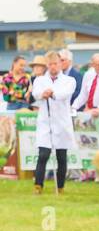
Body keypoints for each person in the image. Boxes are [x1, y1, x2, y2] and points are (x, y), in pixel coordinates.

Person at [29, 48, 77, 194]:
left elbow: (65, 93)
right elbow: (35, 93)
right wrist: (43, 94)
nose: (53, 67)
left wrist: (53, 93)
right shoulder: (40, 80)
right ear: (47, 65)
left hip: (61, 122)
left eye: (55, 63)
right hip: (45, 121)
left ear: (61, 64)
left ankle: (60, 187)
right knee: (43, 154)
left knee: (61, 156)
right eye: (50, 64)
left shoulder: (69, 80)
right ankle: (38, 185)